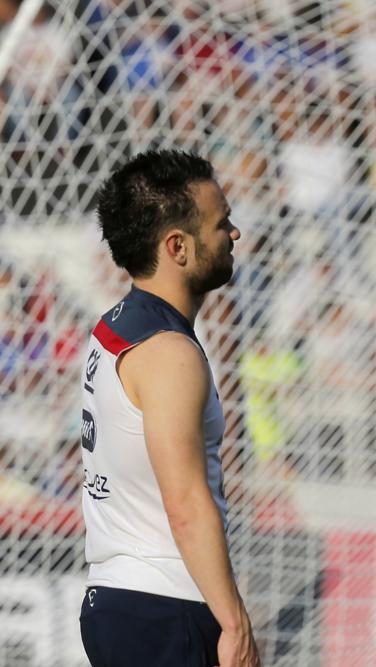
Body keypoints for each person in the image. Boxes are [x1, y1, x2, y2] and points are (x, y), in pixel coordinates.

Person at [79, 150, 261, 667]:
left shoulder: (113, 327)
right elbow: (182, 500)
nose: (235, 233)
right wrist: (235, 624)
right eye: (221, 222)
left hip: (122, 601)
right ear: (177, 246)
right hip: (166, 607)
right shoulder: (169, 353)